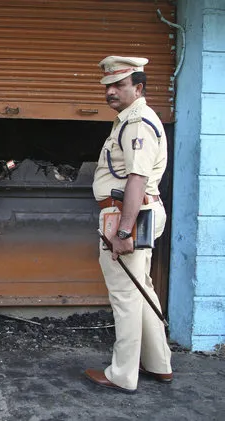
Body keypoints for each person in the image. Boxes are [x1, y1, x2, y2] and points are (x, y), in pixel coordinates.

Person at [85, 56, 172, 393]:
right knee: (141, 289)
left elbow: (137, 179)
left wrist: (123, 232)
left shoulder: (137, 123)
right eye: (107, 86)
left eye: (119, 85)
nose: (111, 91)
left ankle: (122, 374)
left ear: (138, 87)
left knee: (125, 295)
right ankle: (159, 363)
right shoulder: (130, 119)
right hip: (133, 213)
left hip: (128, 215)